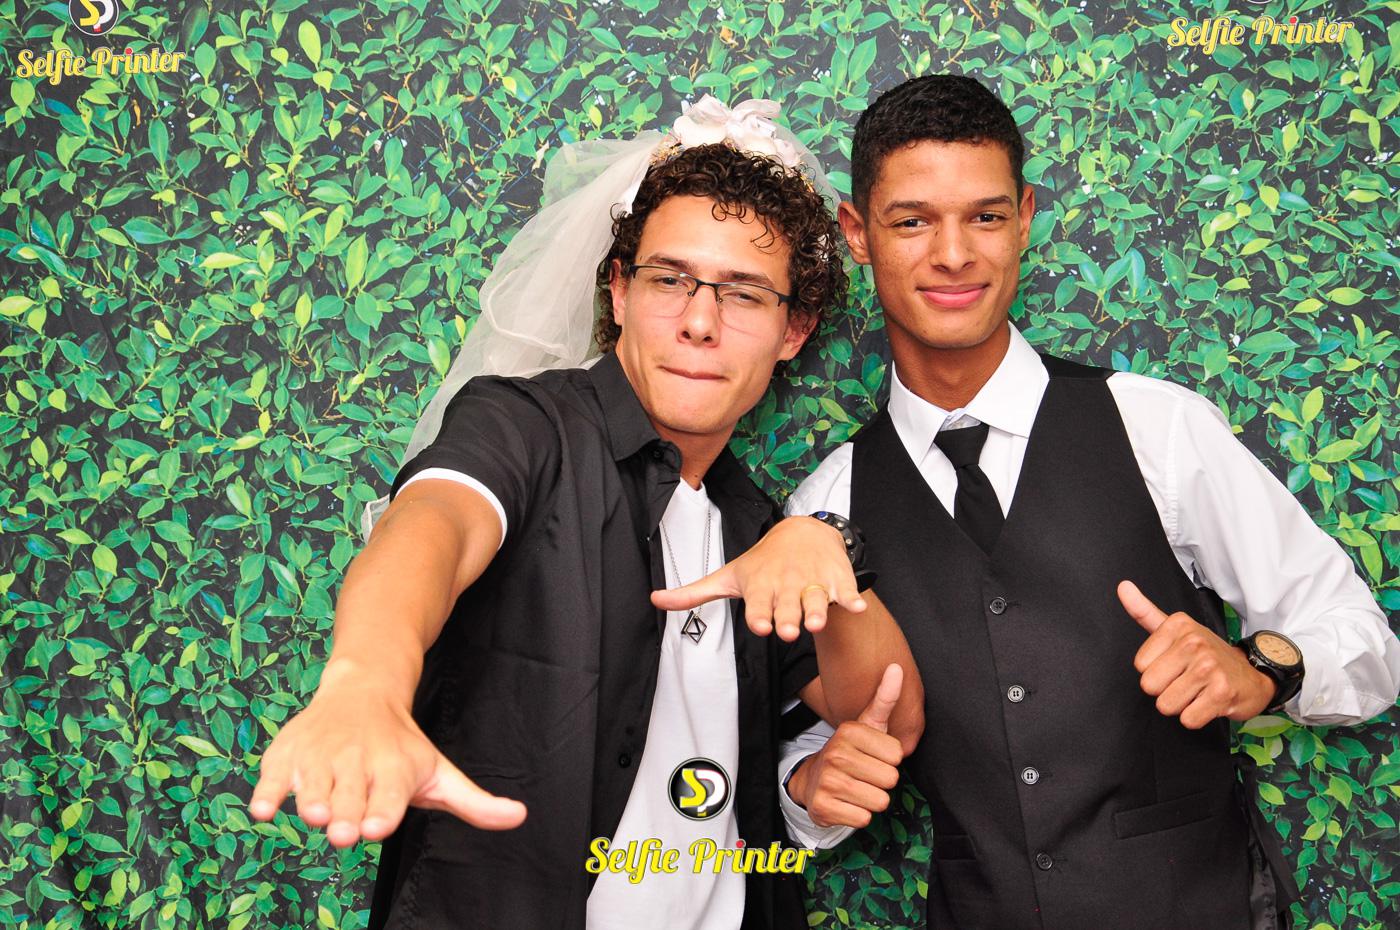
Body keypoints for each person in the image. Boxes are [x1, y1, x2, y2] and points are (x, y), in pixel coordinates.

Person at [248, 98, 922, 930]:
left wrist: (827, 546)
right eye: (669, 280)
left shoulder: (756, 524)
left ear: (794, 330)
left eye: (745, 295)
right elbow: (432, 524)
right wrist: (366, 679)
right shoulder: (524, 428)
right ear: (619, 291)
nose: (700, 322)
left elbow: (888, 715)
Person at [782, 74, 1400, 929]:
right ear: (857, 231)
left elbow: (1366, 643)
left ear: (1025, 219)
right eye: (913, 221)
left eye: (986, 216)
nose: (954, 254)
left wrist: (1261, 670)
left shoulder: (1158, 426)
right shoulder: (828, 504)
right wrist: (809, 787)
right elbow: (814, 742)